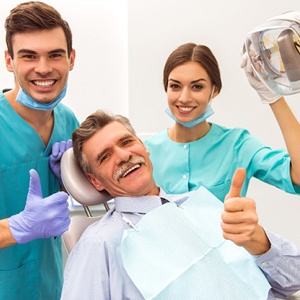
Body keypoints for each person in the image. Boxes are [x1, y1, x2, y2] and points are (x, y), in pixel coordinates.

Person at [61, 110, 300, 300]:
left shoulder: (201, 205)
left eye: (126, 142)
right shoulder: (99, 243)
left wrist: (257, 241)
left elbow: (293, 280)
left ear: (145, 148)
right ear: (95, 181)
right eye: (105, 157)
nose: (123, 156)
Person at [143, 42, 300, 201]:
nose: (184, 98)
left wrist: (273, 96)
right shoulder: (144, 152)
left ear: (214, 90)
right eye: (175, 86)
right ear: (166, 88)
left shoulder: (237, 145)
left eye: (197, 87)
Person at [0, 2, 79, 299]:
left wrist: (69, 181)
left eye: (55, 55)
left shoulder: (69, 121)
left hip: (50, 286)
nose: (43, 68)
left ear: (71, 59)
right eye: (29, 56)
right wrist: (18, 227)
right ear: (9, 61)